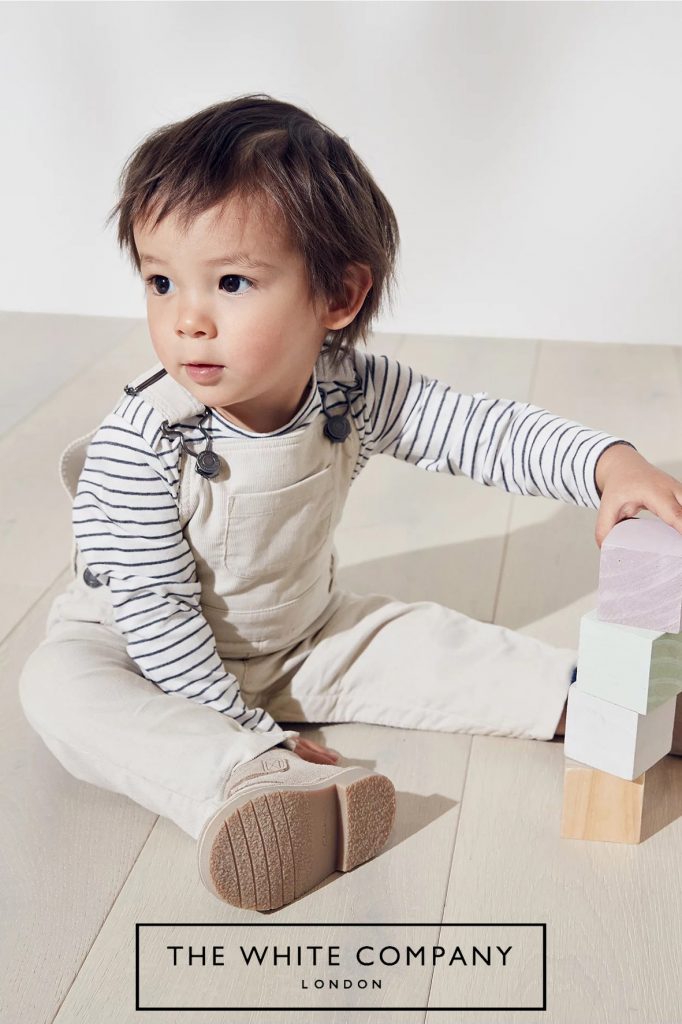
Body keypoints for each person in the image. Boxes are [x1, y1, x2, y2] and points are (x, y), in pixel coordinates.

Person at [18, 94, 682, 912]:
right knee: (58, 687)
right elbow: (157, 617)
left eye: (231, 282)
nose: (187, 320)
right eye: (161, 281)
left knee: (436, 646)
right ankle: (246, 783)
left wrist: (606, 463)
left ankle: (609, 706)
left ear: (337, 296)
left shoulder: (351, 388)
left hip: (303, 634)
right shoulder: (142, 444)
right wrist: (251, 734)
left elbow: (483, 430)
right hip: (136, 651)